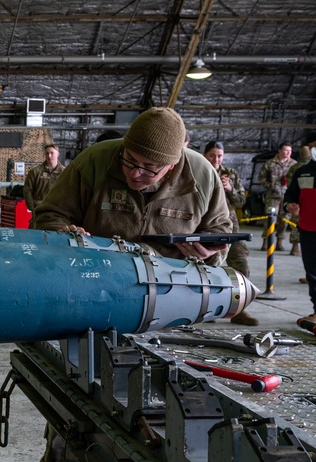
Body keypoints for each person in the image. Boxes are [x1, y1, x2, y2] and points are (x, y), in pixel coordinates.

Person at [33, 107, 232, 265]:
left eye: (149, 168)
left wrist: (209, 255)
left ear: (171, 166)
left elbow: (219, 231)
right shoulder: (92, 163)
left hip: (169, 289)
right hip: (95, 278)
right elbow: (49, 215)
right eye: (129, 159)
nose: (135, 173)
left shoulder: (203, 176)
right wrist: (62, 233)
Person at [283, 131, 316, 330]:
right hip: (307, 229)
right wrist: (290, 206)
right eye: (312, 146)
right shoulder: (302, 172)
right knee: (313, 273)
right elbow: (290, 197)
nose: (315, 149)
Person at [203, 141, 256, 325]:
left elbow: (241, 201)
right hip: (206, 225)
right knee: (207, 267)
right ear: (205, 155)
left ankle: (239, 310)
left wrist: (230, 189)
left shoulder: (230, 174)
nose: (216, 159)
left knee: (241, 266)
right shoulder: (200, 170)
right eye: (212, 155)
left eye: (219, 155)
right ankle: (206, 309)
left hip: (230, 226)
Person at [258, 142, 295, 251]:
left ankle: (279, 242)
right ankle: (266, 241)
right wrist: (270, 185)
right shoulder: (270, 163)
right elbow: (262, 177)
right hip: (273, 196)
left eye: (290, 151)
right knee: (270, 219)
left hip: (287, 196)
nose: (288, 153)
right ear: (280, 151)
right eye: (286, 150)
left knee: (284, 220)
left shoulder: (294, 164)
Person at [285, 145, 311, 259]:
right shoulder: (310, 167)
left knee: (295, 223)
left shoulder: (294, 167)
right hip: (309, 198)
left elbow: (289, 181)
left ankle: (295, 247)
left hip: (297, 198)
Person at [23, 144, 65, 213]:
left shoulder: (64, 172)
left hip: (58, 210)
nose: (49, 156)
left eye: (52, 153)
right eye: (47, 153)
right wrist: (32, 208)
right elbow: (27, 190)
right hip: (39, 208)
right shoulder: (35, 172)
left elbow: (69, 191)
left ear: (58, 154)